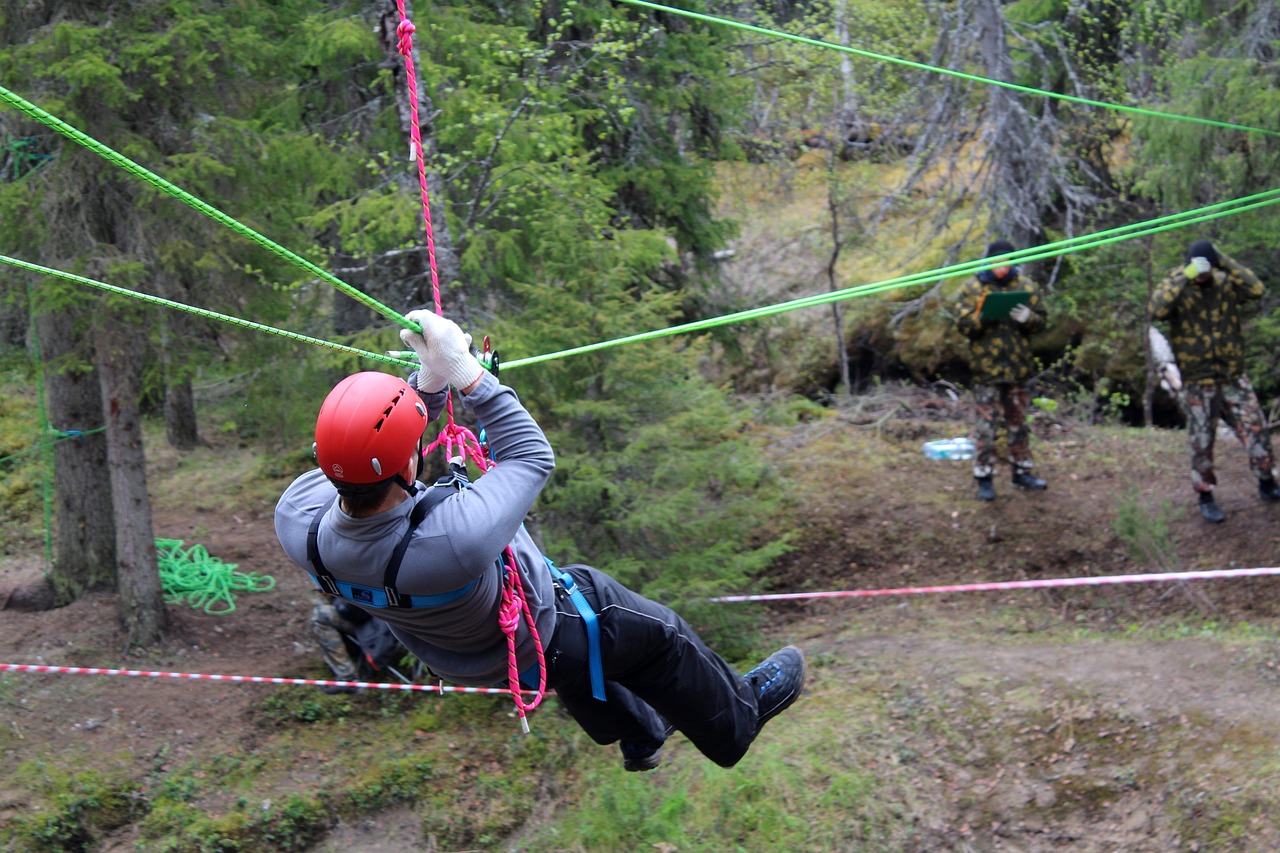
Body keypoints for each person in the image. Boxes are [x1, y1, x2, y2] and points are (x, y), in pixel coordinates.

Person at [274, 309, 806, 771]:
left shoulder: (300, 524)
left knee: (572, 663)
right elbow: (530, 455)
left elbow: (374, 455)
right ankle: (738, 721)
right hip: (543, 626)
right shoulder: (451, 542)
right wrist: (467, 375)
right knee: (659, 640)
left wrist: (427, 385)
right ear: (406, 461)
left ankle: (640, 733)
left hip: (472, 657)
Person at [1149, 239, 1280, 523]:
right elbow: (1156, 310)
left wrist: (1224, 261)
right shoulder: (1179, 286)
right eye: (1201, 267)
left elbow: (1257, 289)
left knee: (1256, 428)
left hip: (1232, 375)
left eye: (1208, 266)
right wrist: (1185, 274)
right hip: (1199, 379)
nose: (1205, 272)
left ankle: (1266, 481)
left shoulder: (1225, 282)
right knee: (1202, 441)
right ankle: (1205, 494)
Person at [954, 239, 1049, 501]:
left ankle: (1022, 471)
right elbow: (962, 326)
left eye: (1006, 262)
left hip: (1017, 368)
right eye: (996, 262)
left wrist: (1027, 318)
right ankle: (983, 476)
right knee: (986, 425)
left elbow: (1042, 321)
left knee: (1018, 422)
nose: (1001, 268)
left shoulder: (1025, 285)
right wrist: (981, 317)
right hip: (986, 370)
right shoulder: (972, 287)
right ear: (989, 262)